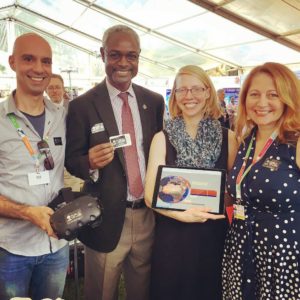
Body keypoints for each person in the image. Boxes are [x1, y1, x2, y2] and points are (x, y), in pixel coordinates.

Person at [65, 25, 165, 300]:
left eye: (131, 56)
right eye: (115, 55)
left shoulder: (153, 102)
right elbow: (72, 160)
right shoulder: (82, 105)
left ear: (139, 58)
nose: (123, 63)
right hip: (106, 217)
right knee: (101, 292)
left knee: (141, 291)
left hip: (146, 216)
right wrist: (89, 162)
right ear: (102, 55)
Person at [144, 65, 238, 300]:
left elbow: (235, 191)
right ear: (174, 96)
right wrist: (181, 214)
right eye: (182, 90)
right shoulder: (161, 138)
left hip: (214, 236)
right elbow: (150, 195)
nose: (189, 96)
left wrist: (216, 197)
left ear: (208, 92)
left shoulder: (229, 137)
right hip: (173, 235)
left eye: (196, 88)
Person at [222, 62, 300, 300]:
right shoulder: (244, 141)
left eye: (273, 94)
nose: (262, 103)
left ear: (288, 98)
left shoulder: (295, 143)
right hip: (240, 250)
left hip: (282, 257)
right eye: (254, 94)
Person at [0, 33, 69, 300]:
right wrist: (27, 212)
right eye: (29, 59)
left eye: (46, 61)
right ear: (12, 62)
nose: (39, 68)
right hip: (12, 249)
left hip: (57, 246)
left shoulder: (63, 116)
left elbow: (78, 159)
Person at [46, 73, 83, 192]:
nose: (54, 91)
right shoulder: (41, 111)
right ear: (45, 90)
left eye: (57, 87)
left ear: (63, 89)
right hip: (52, 163)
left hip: (72, 161)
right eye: (50, 88)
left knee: (74, 195)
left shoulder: (75, 108)